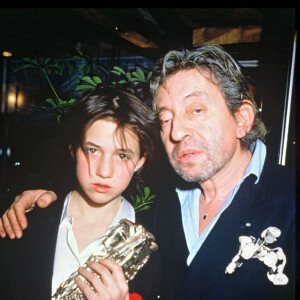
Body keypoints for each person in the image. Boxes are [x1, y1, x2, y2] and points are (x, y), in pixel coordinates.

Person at [0, 44, 296, 299]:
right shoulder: (160, 208)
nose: (176, 131)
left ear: (242, 119)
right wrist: (42, 199)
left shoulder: (290, 201)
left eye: (196, 110)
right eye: (166, 119)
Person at [0, 86, 161, 299]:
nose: (104, 171)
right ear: (73, 149)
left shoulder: (156, 249)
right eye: (93, 150)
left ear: (140, 161)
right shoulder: (24, 224)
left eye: (122, 155)